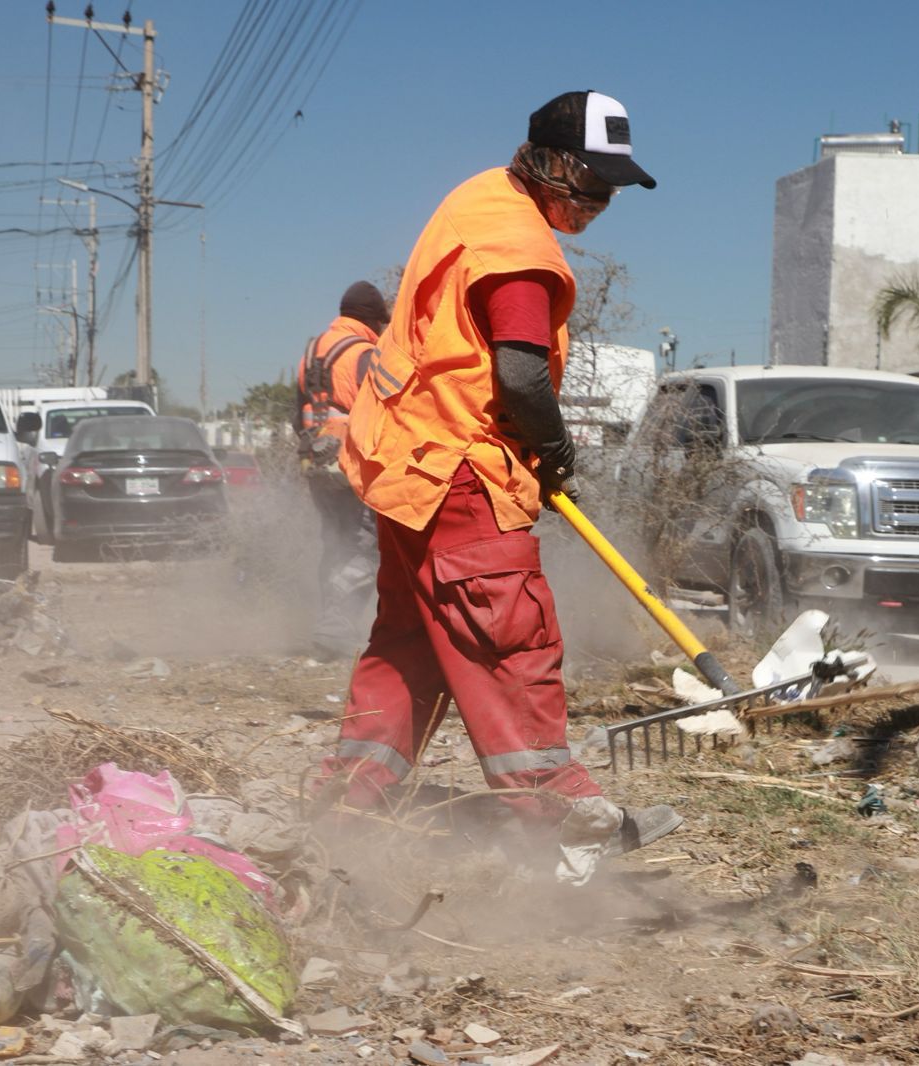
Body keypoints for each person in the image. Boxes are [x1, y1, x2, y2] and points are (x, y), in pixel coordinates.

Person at [320, 90, 679, 884]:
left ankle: (344, 805)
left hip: (409, 467)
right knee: (509, 644)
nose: (602, 199)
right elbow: (519, 372)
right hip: (461, 477)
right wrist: (553, 450)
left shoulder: (477, 200)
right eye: (593, 180)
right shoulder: (521, 247)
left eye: (614, 186)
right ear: (551, 161)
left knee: (409, 647)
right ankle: (564, 821)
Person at [296, 281, 388, 660]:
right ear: (372, 320)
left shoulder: (313, 351)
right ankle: (335, 628)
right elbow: (385, 410)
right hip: (353, 462)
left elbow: (296, 413)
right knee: (364, 543)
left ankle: (330, 623)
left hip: (317, 461)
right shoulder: (365, 353)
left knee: (335, 540)